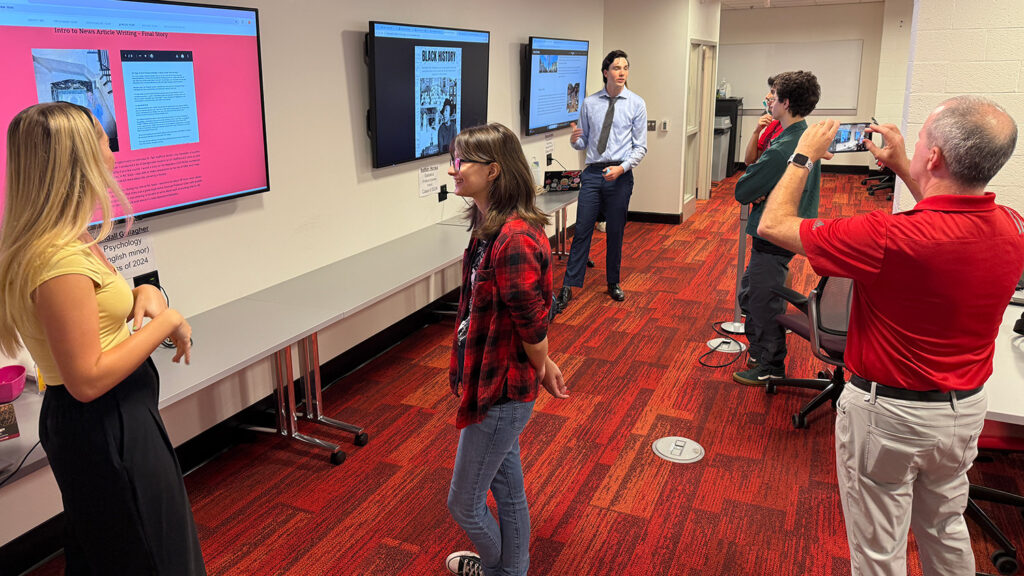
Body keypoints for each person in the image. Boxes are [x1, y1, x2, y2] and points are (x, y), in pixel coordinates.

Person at [758, 96, 1023, 576]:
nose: (915, 143)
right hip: (963, 414)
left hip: (890, 418)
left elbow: (773, 224)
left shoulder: (887, 238)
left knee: (879, 551)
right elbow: (949, 219)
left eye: (921, 138)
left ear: (936, 157)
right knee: (945, 527)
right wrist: (903, 167)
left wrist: (803, 154)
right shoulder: (1012, 228)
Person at [0, 102, 204, 574]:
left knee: (117, 552)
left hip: (117, 418)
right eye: (104, 140)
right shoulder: (56, 259)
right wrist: (166, 322)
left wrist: (145, 291)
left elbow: (94, 313)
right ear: (78, 159)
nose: (113, 151)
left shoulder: (66, 240)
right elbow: (87, 380)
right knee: (152, 557)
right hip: (103, 423)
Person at [443, 123, 570, 576]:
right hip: (493, 383)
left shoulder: (513, 237)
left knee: (464, 504)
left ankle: (499, 567)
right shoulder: (490, 225)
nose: (453, 170)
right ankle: (512, 570)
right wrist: (544, 362)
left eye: (462, 162)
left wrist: (544, 364)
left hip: (500, 391)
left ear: (493, 170)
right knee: (508, 490)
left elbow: (532, 321)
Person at [731, 70, 821, 385]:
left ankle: (770, 364)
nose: (769, 99)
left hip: (775, 232)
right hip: (789, 227)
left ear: (784, 103)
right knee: (752, 291)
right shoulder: (804, 136)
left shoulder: (783, 147)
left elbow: (742, 190)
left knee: (762, 300)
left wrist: (759, 187)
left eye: (774, 95)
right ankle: (761, 352)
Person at [555, 49, 647, 312]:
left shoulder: (636, 104)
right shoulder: (589, 103)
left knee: (615, 232)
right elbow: (584, 142)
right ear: (605, 72)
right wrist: (575, 141)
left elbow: (640, 147)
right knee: (582, 229)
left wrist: (622, 168)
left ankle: (613, 281)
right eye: (617, 68)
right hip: (593, 174)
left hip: (620, 175)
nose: (622, 73)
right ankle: (568, 285)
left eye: (626, 68)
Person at [743, 76, 784, 166]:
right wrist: (756, 132)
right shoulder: (773, 125)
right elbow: (749, 161)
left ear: (785, 102)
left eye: (773, 92)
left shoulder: (788, 132)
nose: (767, 96)